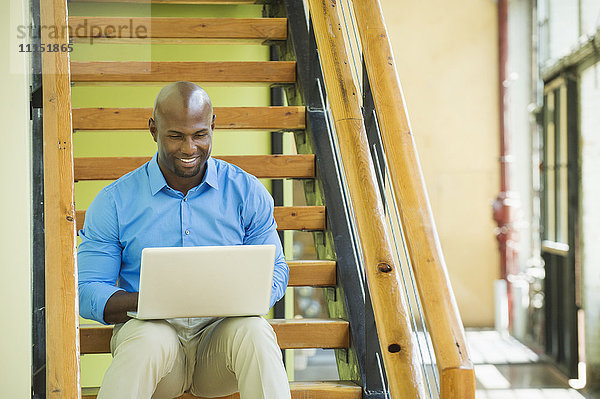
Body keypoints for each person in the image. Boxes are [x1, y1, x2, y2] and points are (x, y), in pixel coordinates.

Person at [78, 81, 291, 399]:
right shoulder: (114, 202)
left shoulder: (246, 192)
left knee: (256, 332)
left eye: (200, 134)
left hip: (218, 348)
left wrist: (243, 294)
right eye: (175, 135)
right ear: (153, 129)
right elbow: (87, 289)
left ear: (213, 126)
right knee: (147, 337)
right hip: (155, 348)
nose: (189, 148)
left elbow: (276, 268)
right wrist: (154, 300)